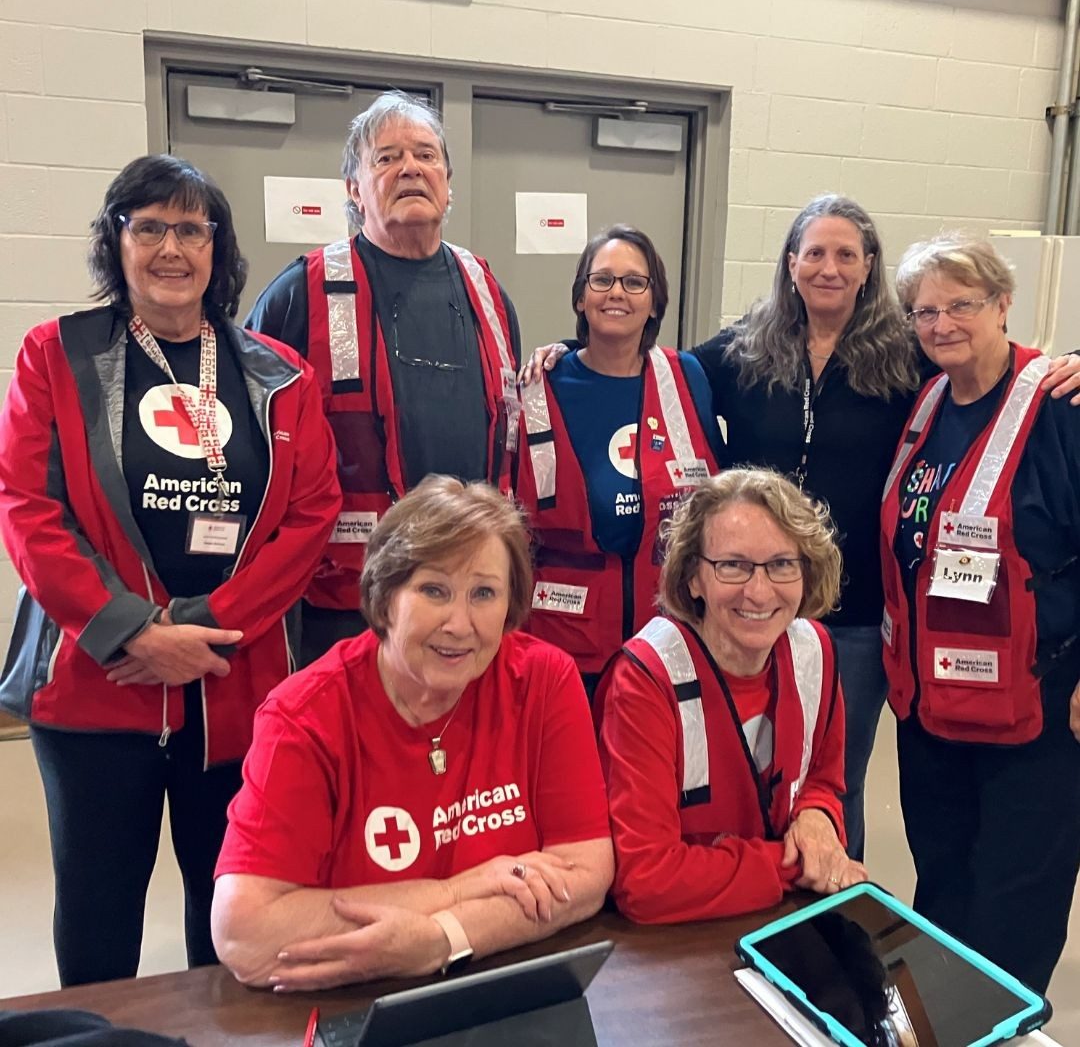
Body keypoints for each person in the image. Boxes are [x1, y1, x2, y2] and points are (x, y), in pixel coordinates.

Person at [524, 193, 1080, 861]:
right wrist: (564, 351)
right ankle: (740, 894)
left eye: (847, 254)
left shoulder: (909, 354)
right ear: (791, 263)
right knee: (739, 773)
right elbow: (641, 361)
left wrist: (1067, 361)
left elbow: (993, 368)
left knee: (832, 784)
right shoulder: (742, 350)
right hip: (746, 604)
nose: (829, 268)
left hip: (855, 616)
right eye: (814, 252)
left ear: (868, 266)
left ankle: (832, 920)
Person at [0, 155, 342, 986]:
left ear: (216, 249)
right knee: (97, 912)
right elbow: (27, 505)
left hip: (232, 684)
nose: (170, 248)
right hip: (96, 685)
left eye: (191, 229)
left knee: (230, 910)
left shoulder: (277, 373)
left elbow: (312, 512)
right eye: (147, 226)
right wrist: (133, 631)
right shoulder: (57, 355)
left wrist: (205, 628)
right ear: (115, 243)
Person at [211, 476, 614, 991]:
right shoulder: (304, 716)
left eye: (484, 593)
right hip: (352, 995)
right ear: (384, 598)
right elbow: (245, 934)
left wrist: (442, 938)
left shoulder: (544, 679)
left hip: (508, 984)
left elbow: (584, 875)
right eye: (433, 590)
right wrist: (461, 890)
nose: (460, 623)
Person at [247, 91, 521, 666]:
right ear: (353, 187)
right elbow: (248, 440)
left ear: (449, 181)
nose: (410, 168)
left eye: (425, 155)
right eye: (387, 157)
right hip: (345, 598)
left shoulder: (489, 293)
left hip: (464, 592)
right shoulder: (302, 293)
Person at [881, 234, 1080, 993]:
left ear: (1003, 303)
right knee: (943, 886)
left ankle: (1000, 1029)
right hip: (932, 709)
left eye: (960, 305)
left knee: (1013, 905)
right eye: (924, 311)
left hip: (1036, 714)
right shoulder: (929, 402)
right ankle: (941, 1023)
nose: (939, 324)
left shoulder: (1059, 404)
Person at [595, 467, 866, 925]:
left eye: (781, 564)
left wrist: (818, 816)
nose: (758, 593)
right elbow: (646, 879)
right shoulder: (645, 680)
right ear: (693, 577)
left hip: (777, 919)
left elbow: (821, 779)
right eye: (732, 566)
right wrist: (793, 862)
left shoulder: (814, 651)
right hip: (677, 940)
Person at [516, 225, 725, 698]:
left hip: (666, 639)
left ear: (654, 302)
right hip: (563, 643)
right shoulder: (536, 387)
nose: (617, 293)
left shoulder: (688, 377)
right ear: (580, 298)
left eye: (635, 282)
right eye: (602, 280)